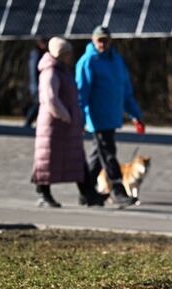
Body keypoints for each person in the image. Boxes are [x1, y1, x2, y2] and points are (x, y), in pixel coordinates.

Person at [31, 37, 107, 208]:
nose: (71, 56)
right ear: (60, 54)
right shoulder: (50, 71)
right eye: (68, 53)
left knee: (77, 159)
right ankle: (43, 193)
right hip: (53, 125)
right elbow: (50, 99)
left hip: (66, 125)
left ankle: (89, 194)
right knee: (47, 160)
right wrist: (68, 117)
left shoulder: (62, 70)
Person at [75, 25, 145, 208]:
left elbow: (125, 91)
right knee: (108, 154)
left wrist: (135, 115)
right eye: (99, 40)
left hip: (112, 117)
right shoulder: (87, 62)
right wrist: (80, 119)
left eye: (105, 40)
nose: (103, 44)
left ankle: (87, 192)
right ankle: (117, 190)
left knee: (97, 157)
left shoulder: (117, 61)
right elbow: (81, 94)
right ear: (93, 40)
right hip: (97, 118)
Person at [24, 38, 48, 127]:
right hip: (37, 85)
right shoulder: (36, 54)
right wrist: (37, 85)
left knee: (38, 104)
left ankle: (29, 122)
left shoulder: (41, 53)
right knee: (37, 104)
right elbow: (33, 71)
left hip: (38, 84)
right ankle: (28, 122)